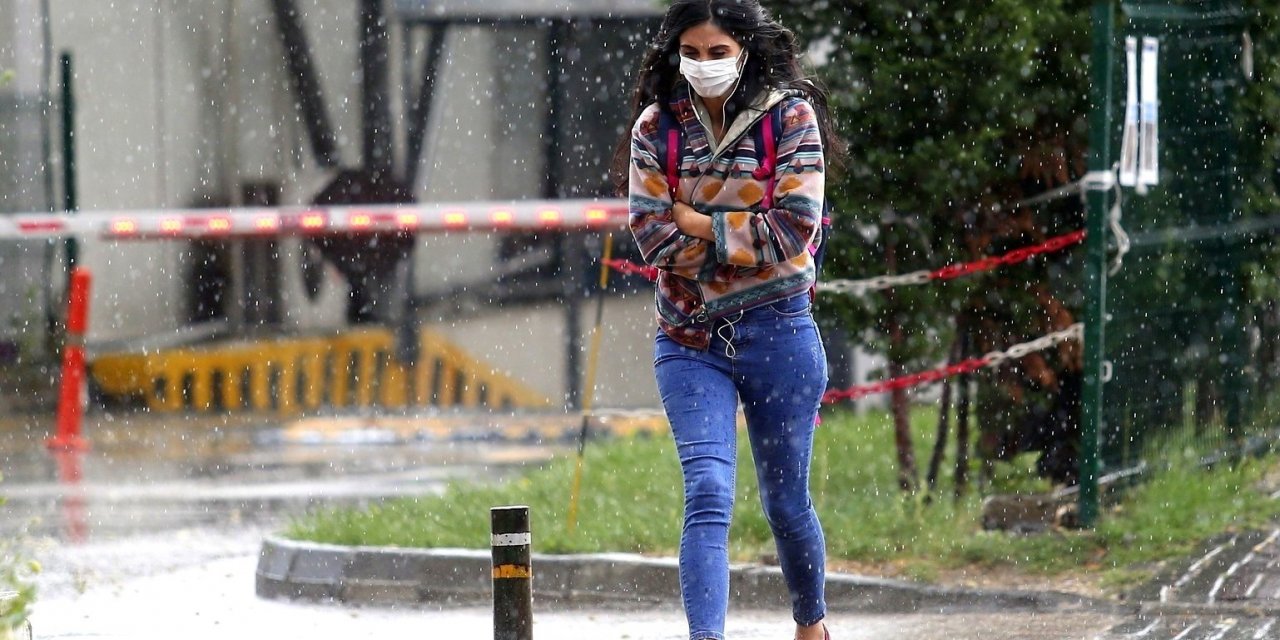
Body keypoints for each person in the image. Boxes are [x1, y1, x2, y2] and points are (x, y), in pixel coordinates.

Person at [612, 2, 844, 639]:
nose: (706, 65)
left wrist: (700, 220)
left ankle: (811, 622)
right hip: (690, 340)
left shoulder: (790, 118)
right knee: (709, 493)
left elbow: (795, 229)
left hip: (782, 332)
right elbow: (655, 239)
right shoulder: (655, 131)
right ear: (675, 53)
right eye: (694, 52)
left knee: (786, 502)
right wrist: (742, 229)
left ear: (744, 50)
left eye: (719, 53)